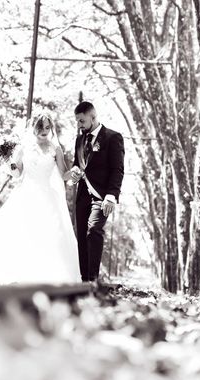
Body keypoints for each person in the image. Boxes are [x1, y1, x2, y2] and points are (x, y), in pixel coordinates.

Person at [0, 113, 81, 284]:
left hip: (47, 197)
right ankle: (18, 275)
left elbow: (64, 174)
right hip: (26, 195)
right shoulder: (23, 148)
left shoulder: (55, 149)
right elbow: (17, 173)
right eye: (40, 127)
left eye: (47, 127)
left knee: (49, 236)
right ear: (33, 127)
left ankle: (44, 277)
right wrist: (12, 165)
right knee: (21, 233)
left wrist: (74, 173)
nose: (44, 130)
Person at [67, 101, 125, 282]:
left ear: (93, 117)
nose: (79, 125)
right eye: (77, 121)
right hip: (83, 195)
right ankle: (84, 280)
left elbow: (118, 170)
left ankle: (93, 280)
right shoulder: (79, 140)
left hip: (103, 196)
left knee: (94, 230)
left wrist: (111, 196)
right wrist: (75, 173)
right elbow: (78, 164)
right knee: (82, 236)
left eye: (82, 121)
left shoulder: (112, 137)